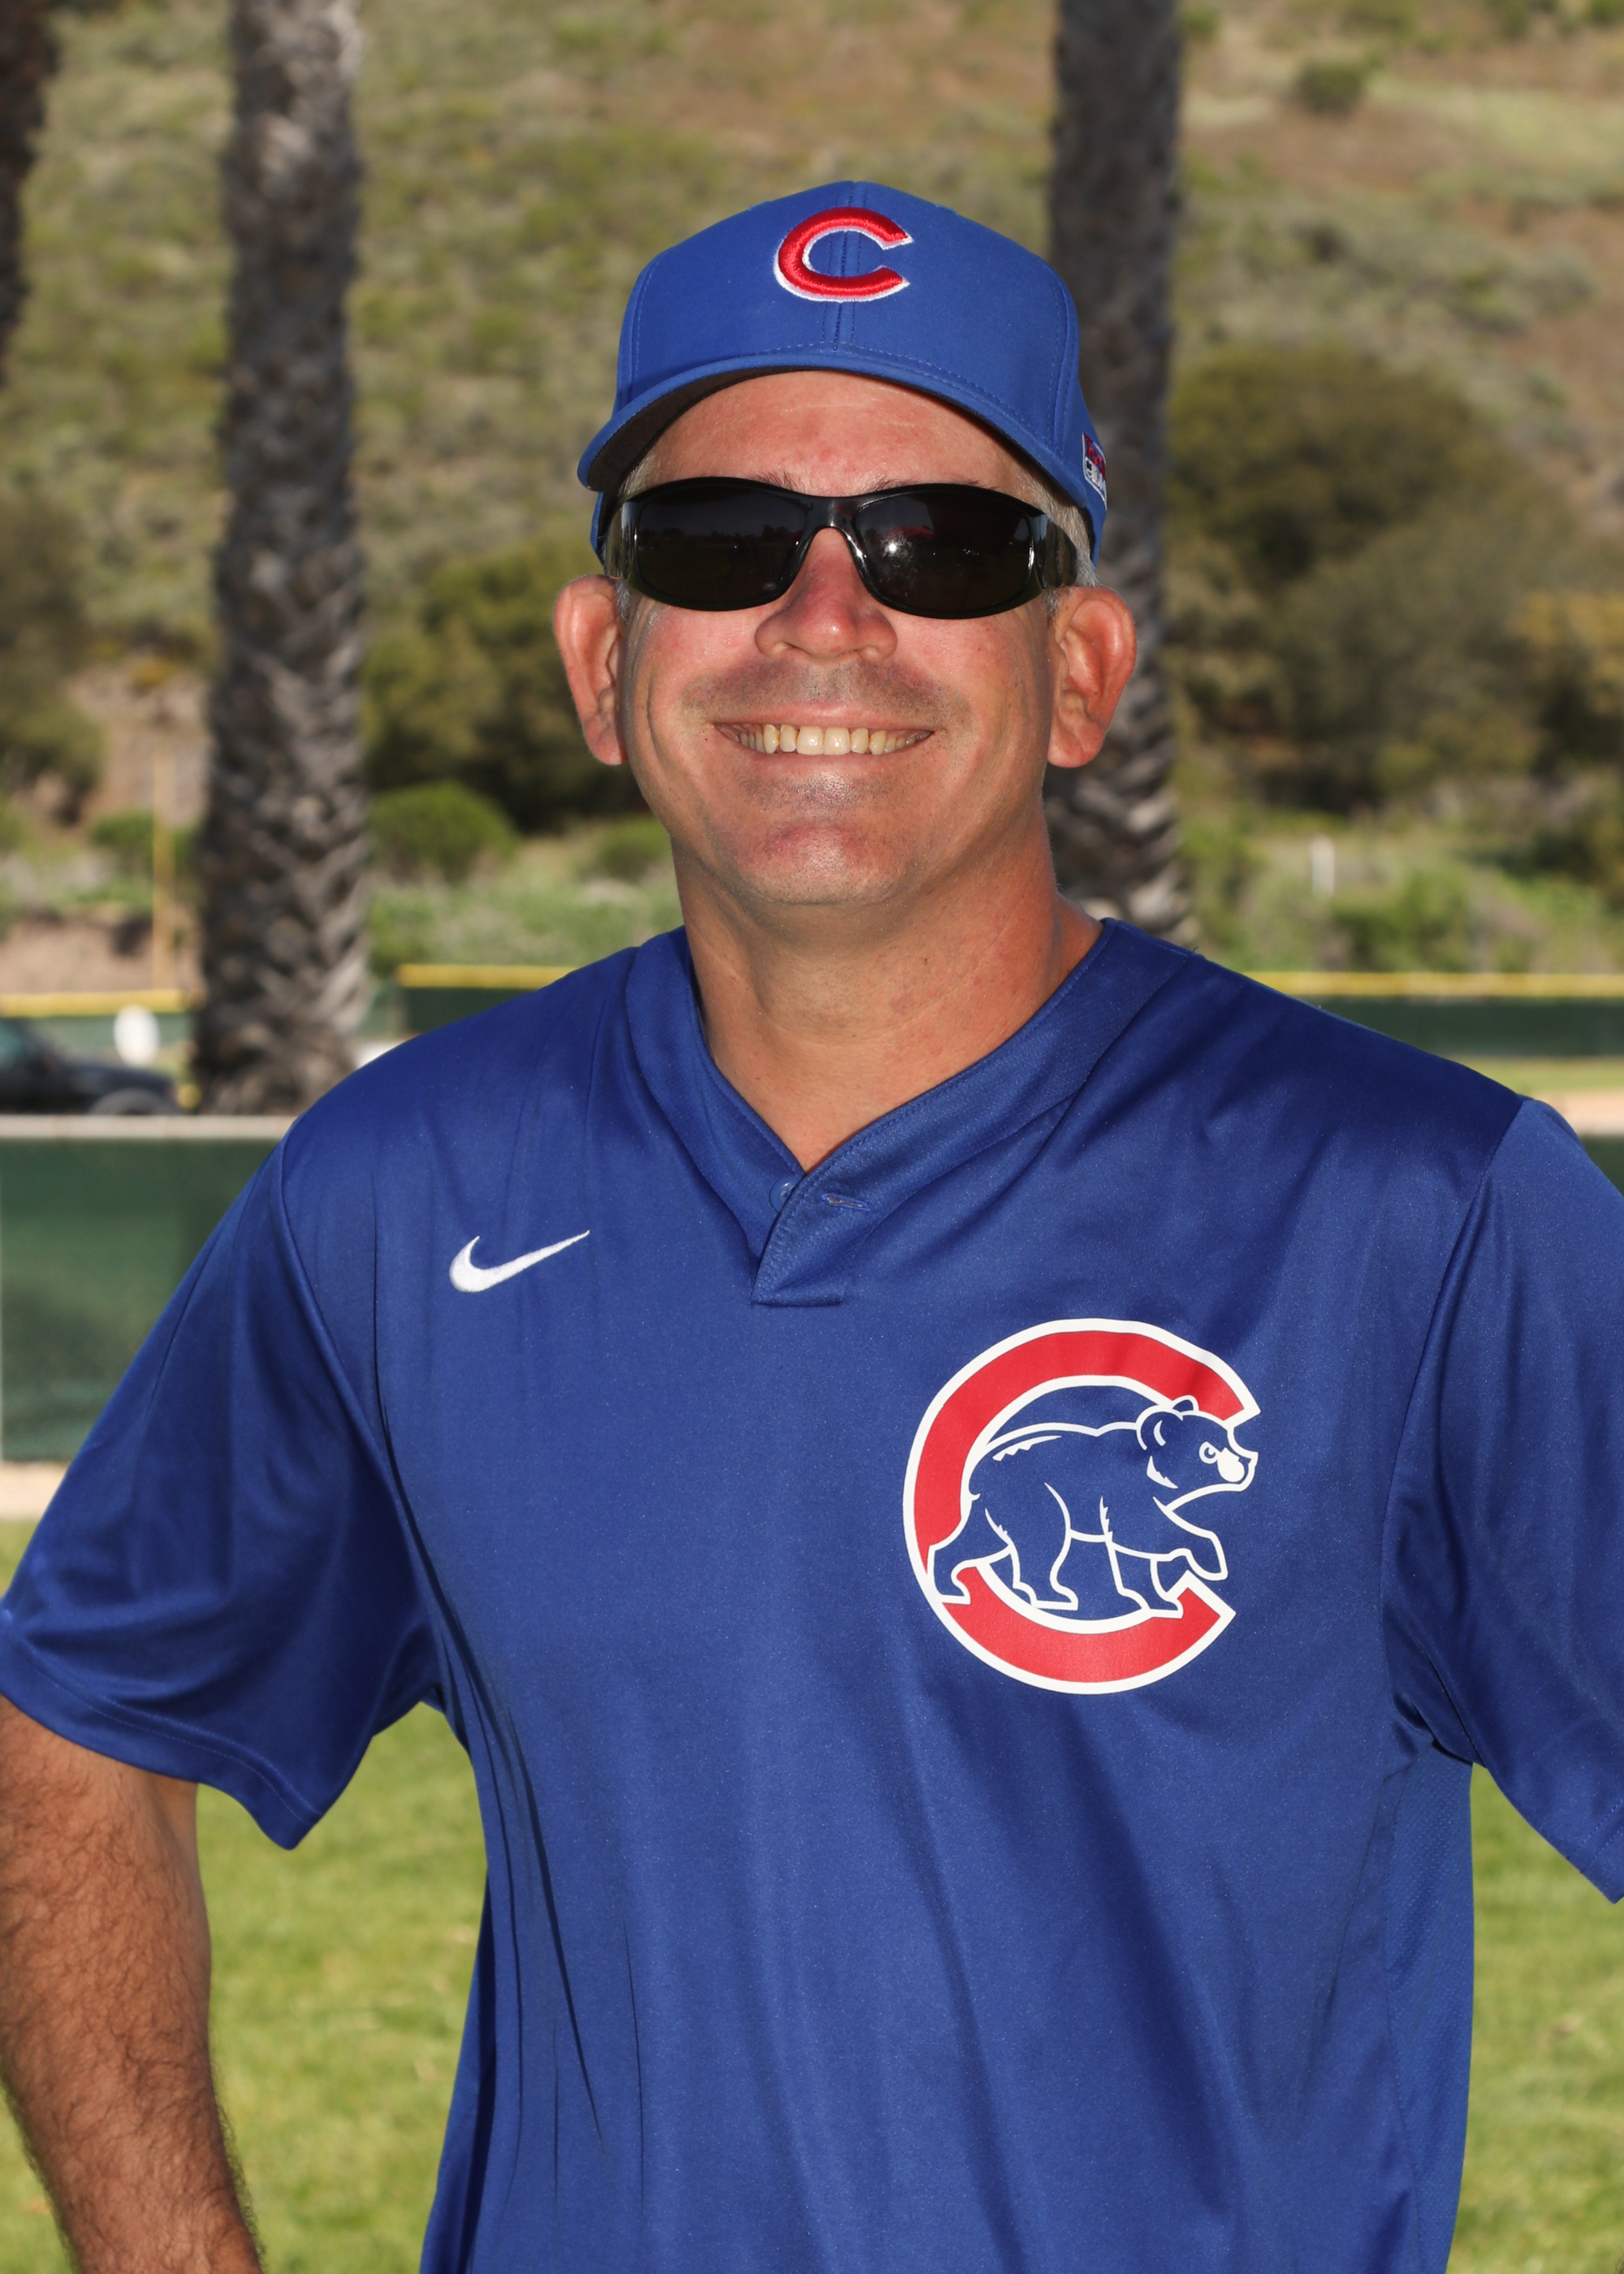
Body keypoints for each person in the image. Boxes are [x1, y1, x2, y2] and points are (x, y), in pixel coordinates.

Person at [0, 182, 1621, 2274]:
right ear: (604, 663)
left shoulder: (1427, 1207)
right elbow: (75, 1721)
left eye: (943, 544)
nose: (823, 617)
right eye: (719, 541)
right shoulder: (402, 1193)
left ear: (1081, 671)